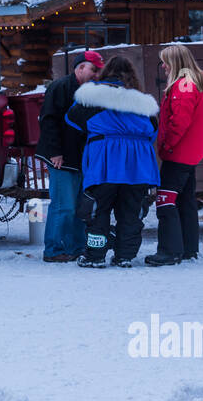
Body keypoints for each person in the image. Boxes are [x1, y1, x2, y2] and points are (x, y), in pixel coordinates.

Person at [66, 56, 159, 268]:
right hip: (138, 165)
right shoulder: (143, 102)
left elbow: (72, 119)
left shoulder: (92, 98)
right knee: (131, 211)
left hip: (104, 162)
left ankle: (95, 256)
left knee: (98, 210)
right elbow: (153, 130)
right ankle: (125, 256)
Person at [35, 50, 103, 262]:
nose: (96, 75)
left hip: (80, 157)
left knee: (79, 206)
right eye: (94, 70)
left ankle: (75, 247)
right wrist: (55, 152)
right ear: (81, 67)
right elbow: (48, 121)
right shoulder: (60, 87)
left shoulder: (93, 91)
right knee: (63, 205)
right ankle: (53, 250)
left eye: (99, 71)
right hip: (61, 158)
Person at [146, 44, 203, 266]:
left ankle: (169, 251)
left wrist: (167, 146)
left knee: (165, 200)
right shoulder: (192, 83)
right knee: (186, 201)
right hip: (189, 153)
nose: (163, 66)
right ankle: (188, 248)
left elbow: (178, 122)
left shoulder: (183, 85)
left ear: (175, 63)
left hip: (179, 153)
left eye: (165, 61)